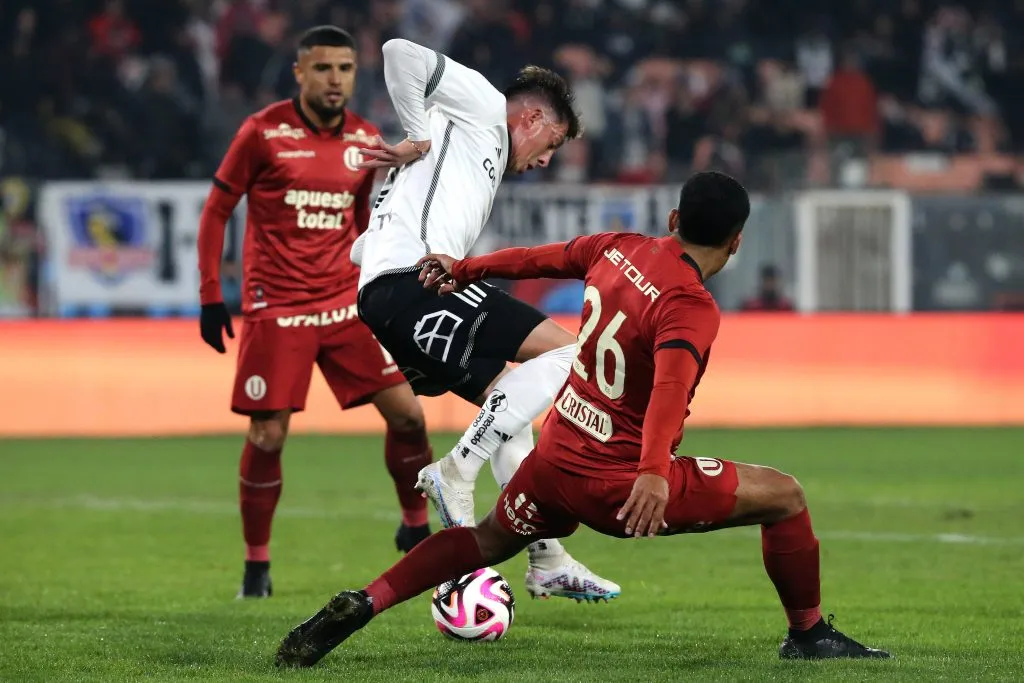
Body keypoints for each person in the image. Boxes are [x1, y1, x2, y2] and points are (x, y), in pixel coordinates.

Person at [274, 172, 890, 668]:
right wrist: (652, 472)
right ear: (736, 242)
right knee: (784, 496)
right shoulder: (690, 304)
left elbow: (538, 260)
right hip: (620, 485)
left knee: (486, 539)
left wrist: (463, 269)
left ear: (673, 220)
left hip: (554, 459)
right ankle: (807, 635)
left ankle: (367, 599)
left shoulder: (617, 248)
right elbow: (671, 388)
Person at [348, 38, 618, 601]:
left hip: (392, 293)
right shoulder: (483, 104)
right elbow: (400, 52)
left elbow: (362, 247)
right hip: (414, 281)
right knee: (575, 355)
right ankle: (455, 470)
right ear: (534, 116)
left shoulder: (473, 156)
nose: (547, 159)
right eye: (553, 143)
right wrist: (415, 131)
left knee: (509, 410)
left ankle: (547, 557)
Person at [196, 26, 434, 599]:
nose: (335, 80)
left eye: (345, 69)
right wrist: (209, 293)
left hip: (343, 302)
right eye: (323, 69)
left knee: (409, 416)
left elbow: (360, 224)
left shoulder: (366, 139)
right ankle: (257, 568)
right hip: (275, 305)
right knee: (270, 434)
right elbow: (216, 210)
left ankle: (417, 528)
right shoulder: (262, 132)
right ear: (299, 73)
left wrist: (382, 285)